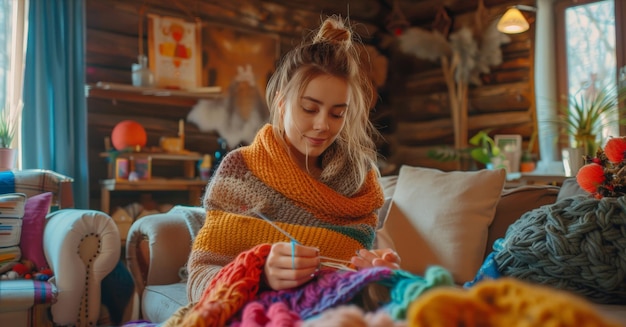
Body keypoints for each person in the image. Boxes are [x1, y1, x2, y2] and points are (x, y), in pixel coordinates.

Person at [186, 15, 400, 303]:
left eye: (338, 114)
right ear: (281, 102)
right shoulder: (242, 170)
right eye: (310, 109)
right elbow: (199, 277)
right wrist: (260, 275)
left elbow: (357, 280)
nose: (324, 125)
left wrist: (379, 275)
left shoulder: (360, 183)